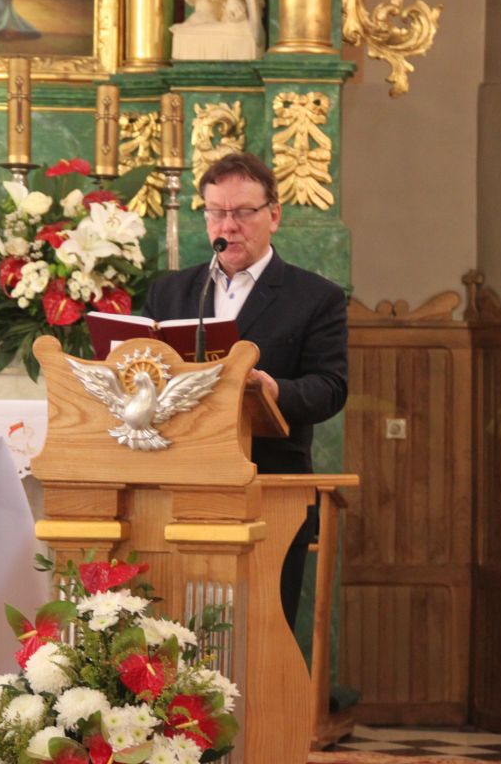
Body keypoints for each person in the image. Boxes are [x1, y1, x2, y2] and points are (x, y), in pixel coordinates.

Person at [143, 151, 348, 628]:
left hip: (269, 488)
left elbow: (331, 387)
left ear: (273, 215)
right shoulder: (171, 292)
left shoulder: (314, 297)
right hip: (176, 488)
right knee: (174, 630)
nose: (228, 226)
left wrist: (276, 390)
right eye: (216, 212)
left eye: (242, 212)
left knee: (261, 632)